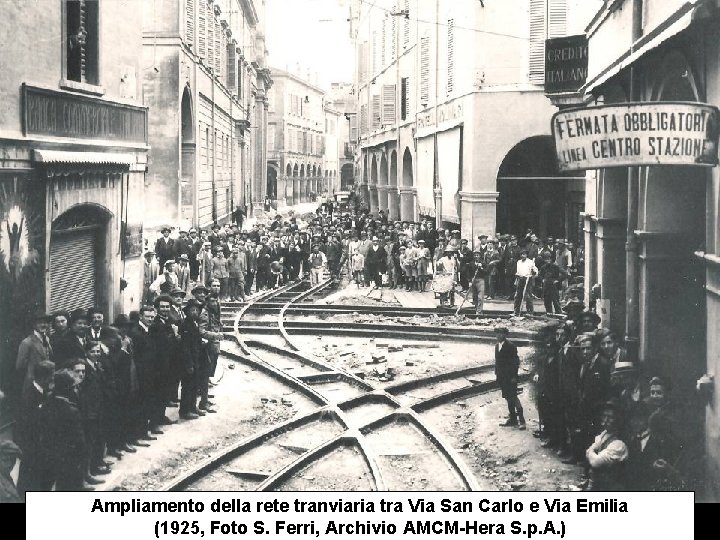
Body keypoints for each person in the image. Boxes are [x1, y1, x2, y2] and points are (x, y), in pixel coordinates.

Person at [15, 360, 55, 497]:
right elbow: (25, 425)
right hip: (31, 445)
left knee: (42, 476)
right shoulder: (29, 395)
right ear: (43, 377)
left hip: (40, 444)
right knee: (29, 479)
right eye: (52, 376)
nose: (53, 380)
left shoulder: (42, 391)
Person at [44, 369, 87, 491]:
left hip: (52, 456)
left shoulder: (47, 404)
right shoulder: (71, 411)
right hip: (70, 458)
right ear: (68, 389)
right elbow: (80, 441)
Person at [585, 399, 629, 491]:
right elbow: (588, 452)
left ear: (618, 419)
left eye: (610, 417)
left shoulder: (619, 444)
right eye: (604, 416)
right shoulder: (604, 434)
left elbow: (595, 462)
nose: (605, 420)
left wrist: (592, 451)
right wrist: (592, 451)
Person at [16, 312, 53, 399]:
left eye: (46, 322)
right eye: (40, 322)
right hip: (33, 386)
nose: (43, 325)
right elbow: (20, 366)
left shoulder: (47, 339)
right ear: (34, 324)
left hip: (47, 384)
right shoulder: (27, 342)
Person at [494, 326, 525, 430]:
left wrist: (514, 376)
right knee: (507, 397)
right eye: (497, 333)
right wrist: (497, 375)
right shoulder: (497, 346)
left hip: (510, 377)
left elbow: (515, 363)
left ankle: (522, 420)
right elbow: (497, 362)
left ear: (505, 335)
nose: (498, 335)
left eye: (500, 333)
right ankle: (513, 419)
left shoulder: (511, 346)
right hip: (502, 377)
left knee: (514, 397)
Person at [178, 299, 203, 420]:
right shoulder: (186, 325)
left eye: (197, 310)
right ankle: (185, 410)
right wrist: (189, 364)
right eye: (192, 310)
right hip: (188, 361)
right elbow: (185, 347)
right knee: (187, 386)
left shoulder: (194, 323)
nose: (195, 312)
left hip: (196, 359)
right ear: (187, 312)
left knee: (195, 384)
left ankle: (193, 407)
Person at [513, 249, 538, 316]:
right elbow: (518, 272)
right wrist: (517, 278)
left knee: (528, 296)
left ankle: (530, 312)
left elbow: (535, 272)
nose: (522, 256)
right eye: (521, 254)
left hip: (527, 279)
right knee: (518, 296)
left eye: (524, 254)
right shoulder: (519, 262)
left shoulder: (530, 262)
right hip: (520, 279)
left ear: (526, 255)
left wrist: (533, 271)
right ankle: (516, 311)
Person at [468, 249, 488, 315]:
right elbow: (469, 273)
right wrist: (469, 281)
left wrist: (481, 267)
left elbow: (486, 272)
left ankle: (479, 311)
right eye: (475, 255)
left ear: (480, 256)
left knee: (480, 296)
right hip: (473, 280)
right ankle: (476, 309)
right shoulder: (471, 263)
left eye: (478, 255)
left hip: (481, 280)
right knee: (475, 296)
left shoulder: (483, 263)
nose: (476, 256)